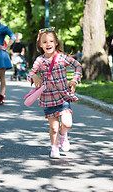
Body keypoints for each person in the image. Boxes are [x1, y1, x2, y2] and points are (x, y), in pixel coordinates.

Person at [27, 27, 82, 159]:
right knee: (54, 127)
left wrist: (74, 81)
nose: (48, 44)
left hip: (63, 97)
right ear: (40, 45)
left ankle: (63, 136)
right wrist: (34, 77)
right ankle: (54, 147)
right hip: (48, 98)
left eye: (51, 41)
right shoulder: (40, 60)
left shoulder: (62, 58)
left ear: (56, 42)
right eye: (45, 42)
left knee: (67, 123)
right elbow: (31, 73)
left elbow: (78, 66)